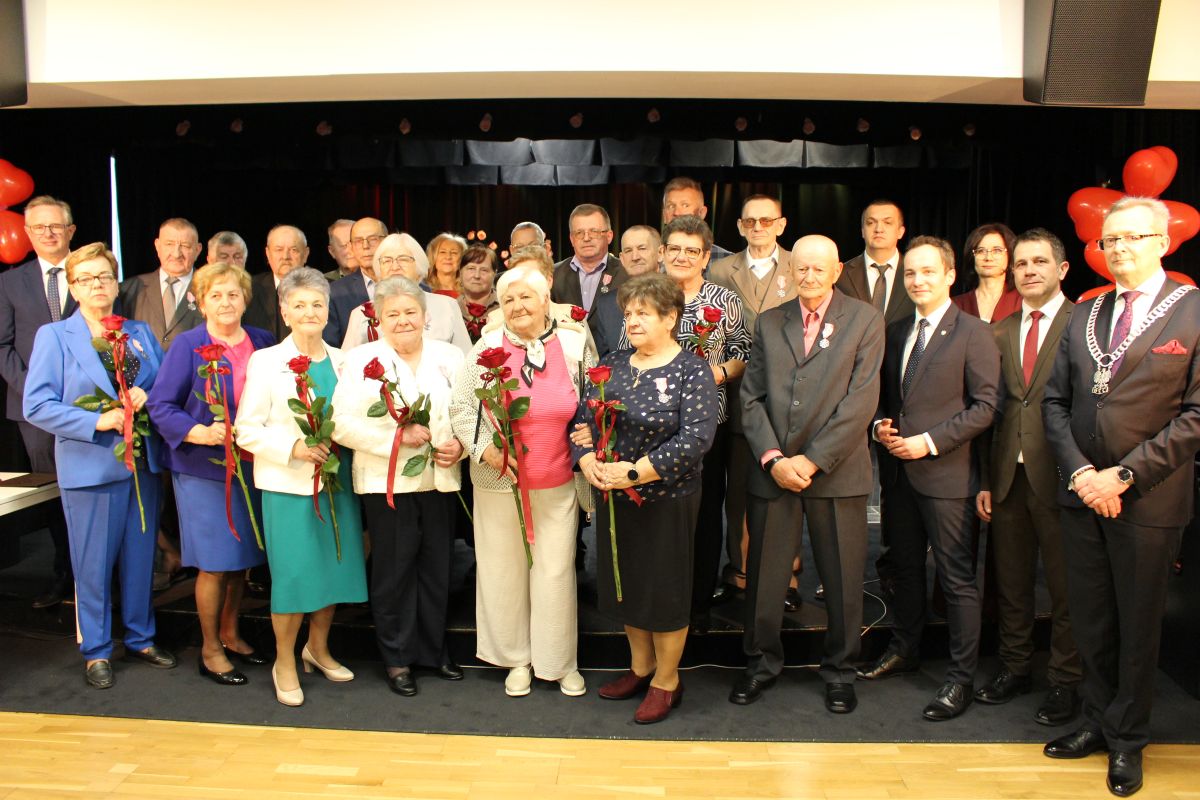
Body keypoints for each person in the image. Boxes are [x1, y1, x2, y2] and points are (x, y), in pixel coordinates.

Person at [1042, 197, 1200, 797]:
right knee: (1092, 619)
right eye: (1110, 241)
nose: (1119, 249)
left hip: (1148, 501)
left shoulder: (1193, 312)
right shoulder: (1086, 313)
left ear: (1163, 242)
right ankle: (1096, 721)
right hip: (1082, 495)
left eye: (1133, 237)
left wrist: (1124, 477)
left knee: (1137, 625)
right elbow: (1056, 402)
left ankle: (1129, 740)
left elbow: (1195, 416)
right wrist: (1084, 474)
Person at [733, 235, 882, 714]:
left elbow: (860, 402)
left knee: (841, 578)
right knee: (765, 578)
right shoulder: (771, 320)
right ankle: (759, 666)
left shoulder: (865, 320)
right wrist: (774, 459)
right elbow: (750, 398)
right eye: (801, 268)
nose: (810, 276)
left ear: (837, 271)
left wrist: (812, 460)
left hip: (836, 473)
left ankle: (840, 671)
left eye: (820, 269)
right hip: (774, 473)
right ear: (791, 270)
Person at [858, 236, 1001, 723]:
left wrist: (930, 442)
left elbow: (985, 408)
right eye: (911, 274)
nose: (917, 281)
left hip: (949, 477)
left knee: (958, 581)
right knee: (904, 570)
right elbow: (882, 396)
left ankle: (960, 678)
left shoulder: (975, 333)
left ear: (949, 276)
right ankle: (905, 649)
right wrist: (878, 425)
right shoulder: (895, 330)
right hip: (898, 477)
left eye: (927, 272)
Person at [24, 242, 177, 689]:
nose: (97, 286)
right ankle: (95, 649)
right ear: (72, 287)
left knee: (141, 557)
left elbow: (162, 384)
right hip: (89, 468)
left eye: (104, 277)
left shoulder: (140, 333)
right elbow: (37, 405)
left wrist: (149, 396)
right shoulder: (54, 336)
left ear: (116, 283)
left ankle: (141, 637)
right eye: (86, 279)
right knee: (92, 564)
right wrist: (97, 420)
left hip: (141, 465)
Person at [577, 273, 717, 724]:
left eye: (643, 313)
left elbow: (696, 438)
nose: (632, 321)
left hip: (666, 499)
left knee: (665, 591)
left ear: (670, 317)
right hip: (613, 497)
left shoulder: (691, 369)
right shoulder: (614, 363)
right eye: (629, 313)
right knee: (627, 585)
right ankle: (640, 669)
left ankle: (667, 680)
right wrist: (585, 461)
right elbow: (580, 421)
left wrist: (634, 472)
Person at [450, 264, 593, 699]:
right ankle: (515, 659)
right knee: (503, 571)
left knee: (554, 571)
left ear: (545, 300)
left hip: (558, 481)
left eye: (525, 297)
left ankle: (558, 662)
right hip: (500, 482)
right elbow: (461, 407)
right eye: (508, 299)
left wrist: (589, 434)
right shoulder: (487, 345)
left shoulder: (573, 342)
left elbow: (593, 400)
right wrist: (487, 449)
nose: (517, 306)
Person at [235, 267, 367, 707]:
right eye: (300, 304)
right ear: (284, 310)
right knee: (293, 579)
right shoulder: (266, 361)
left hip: (339, 486)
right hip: (289, 487)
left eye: (317, 304)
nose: (309, 312)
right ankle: (285, 660)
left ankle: (319, 648)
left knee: (334, 571)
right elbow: (246, 430)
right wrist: (292, 446)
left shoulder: (345, 361)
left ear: (328, 310)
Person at [331, 276, 466, 697]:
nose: (403, 320)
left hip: (439, 481)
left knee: (436, 569)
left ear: (425, 317)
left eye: (411, 312)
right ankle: (397, 657)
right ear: (378, 318)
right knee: (394, 572)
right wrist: (395, 438)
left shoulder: (450, 357)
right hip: (385, 483)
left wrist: (460, 446)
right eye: (393, 314)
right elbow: (340, 423)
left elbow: (467, 412)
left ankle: (433, 649)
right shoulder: (359, 361)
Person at [146, 262, 275, 687]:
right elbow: (162, 404)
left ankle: (231, 632)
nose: (225, 302)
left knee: (241, 561)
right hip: (203, 471)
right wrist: (197, 431)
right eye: (216, 295)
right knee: (215, 564)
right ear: (200, 302)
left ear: (245, 299)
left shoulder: (262, 341)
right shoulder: (188, 344)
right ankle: (209, 649)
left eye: (233, 294)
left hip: (252, 467)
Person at [974, 229, 1081, 725]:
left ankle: (1065, 680)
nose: (1029, 270)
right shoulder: (997, 331)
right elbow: (989, 412)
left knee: (1066, 588)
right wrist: (984, 480)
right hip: (1006, 476)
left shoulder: (1083, 323)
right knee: (1011, 582)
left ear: (1061, 269)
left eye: (1040, 261)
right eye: (1021, 264)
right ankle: (1015, 666)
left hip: (1063, 475)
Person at [631, 216, 749, 635]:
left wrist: (712, 376)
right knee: (654, 521)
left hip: (706, 428)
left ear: (705, 257)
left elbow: (743, 353)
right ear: (662, 253)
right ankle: (652, 604)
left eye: (692, 250)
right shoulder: (643, 296)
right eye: (674, 249)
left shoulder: (724, 299)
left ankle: (696, 607)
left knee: (702, 519)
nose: (682, 256)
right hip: (649, 428)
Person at [707, 194, 798, 611]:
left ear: (780, 224)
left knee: (786, 494)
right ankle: (739, 573)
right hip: (735, 394)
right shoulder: (720, 269)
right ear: (740, 227)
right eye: (750, 222)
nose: (758, 227)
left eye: (767, 220)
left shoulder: (802, 266)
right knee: (739, 492)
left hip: (789, 397)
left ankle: (788, 579)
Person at [0, 195, 78, 608]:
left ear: (70, 230)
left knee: (92, 489)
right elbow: (2, 345)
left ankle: (101, 577)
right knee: (55, 492)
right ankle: (63, 573)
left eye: (56, 226)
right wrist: (34, 390)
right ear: (28, 234)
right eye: (39, 228)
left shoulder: (92, 275)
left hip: (91, 407)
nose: (48, 234)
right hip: (35, 412)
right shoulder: (10, 283)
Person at [340, 233, 471, 353]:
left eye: (403, 259)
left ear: (419, 265)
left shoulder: (447, 306)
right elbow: (346, 365)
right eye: (387, 260)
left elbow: (466, 359)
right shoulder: (361, 314)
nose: (395, 266)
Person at [117, 217, 205, 351]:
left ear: (198, 250)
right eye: (169, 244)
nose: (176, 254)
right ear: (157, 246)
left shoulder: (211, 290)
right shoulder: (128, 290)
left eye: (185, 246)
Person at [835, 199, 914, 327]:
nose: (878, 229)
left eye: (887, 222)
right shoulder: (841, 274)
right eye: (871, 223)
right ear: (862, 231)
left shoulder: (915, 273)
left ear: (901, 231)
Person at [592, 225, 661, 358]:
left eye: (642, 248)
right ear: (622, 259)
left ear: (660, 253)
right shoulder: (607, 303)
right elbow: (604, 360)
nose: (635, 257)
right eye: (628, 251)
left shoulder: (675, 296)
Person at [550, 204, 629, 317]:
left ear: (609, 236)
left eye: (594, 232)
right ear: (572, 239)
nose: (586, 238)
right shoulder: (553, 274)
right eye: (579, 233)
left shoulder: (625, 273)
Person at [326, 217, 387, 346]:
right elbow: (331, 348)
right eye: (358, 241)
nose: (365, 246)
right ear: (352, 247)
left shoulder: (411, 286)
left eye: (373, 239)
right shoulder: (335, 293)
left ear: (387, 241)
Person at [245, 224, 309, 342]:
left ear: (305, 254)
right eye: (279, 250)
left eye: (293, 250)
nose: (285, 256)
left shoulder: (325, 289)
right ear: (268, 254)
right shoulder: (248, 289)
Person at [952, 223, 1022, 324]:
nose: (988, 258)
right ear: (972, 257)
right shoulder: (956, 305)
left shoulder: (1022, 301)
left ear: (1010, 255)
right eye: (981, 251)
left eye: (997, 250)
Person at [661, 177, 732, 259]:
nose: (676, 212)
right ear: (664, 215)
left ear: (702, 213)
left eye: (685, 205)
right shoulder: (650, 257)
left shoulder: (725, 261)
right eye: (671, 206)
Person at [457, 245, 499, 343]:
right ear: (460, 272)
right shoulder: (450, 309)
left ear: (494, 274)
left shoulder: (505, 307)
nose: (477, 276)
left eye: (484, 270)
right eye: (471, 268)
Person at [426, 232, 467, 297]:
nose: (448, 257)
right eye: (442, 252)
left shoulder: (469, 291)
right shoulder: (423, 289)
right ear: (433, 257)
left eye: (454, 253)